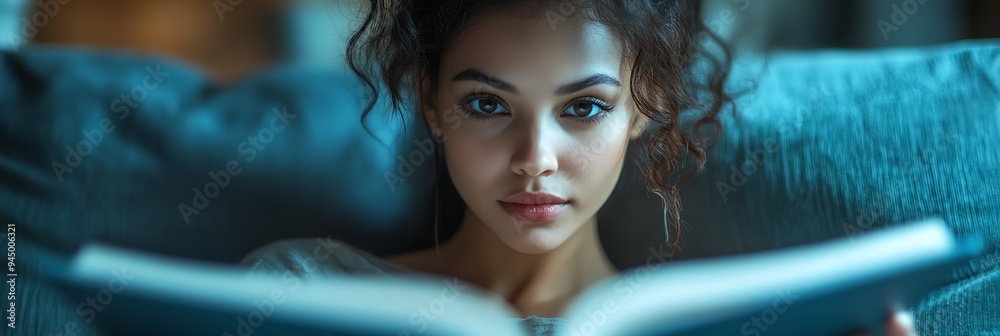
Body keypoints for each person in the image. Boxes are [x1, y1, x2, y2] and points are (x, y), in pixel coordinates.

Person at [241, 1, 916, 335]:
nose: (535, 160)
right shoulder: (302, 288)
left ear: (646, 104)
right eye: (486, 103)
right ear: (430, 102)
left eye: (585, 108)